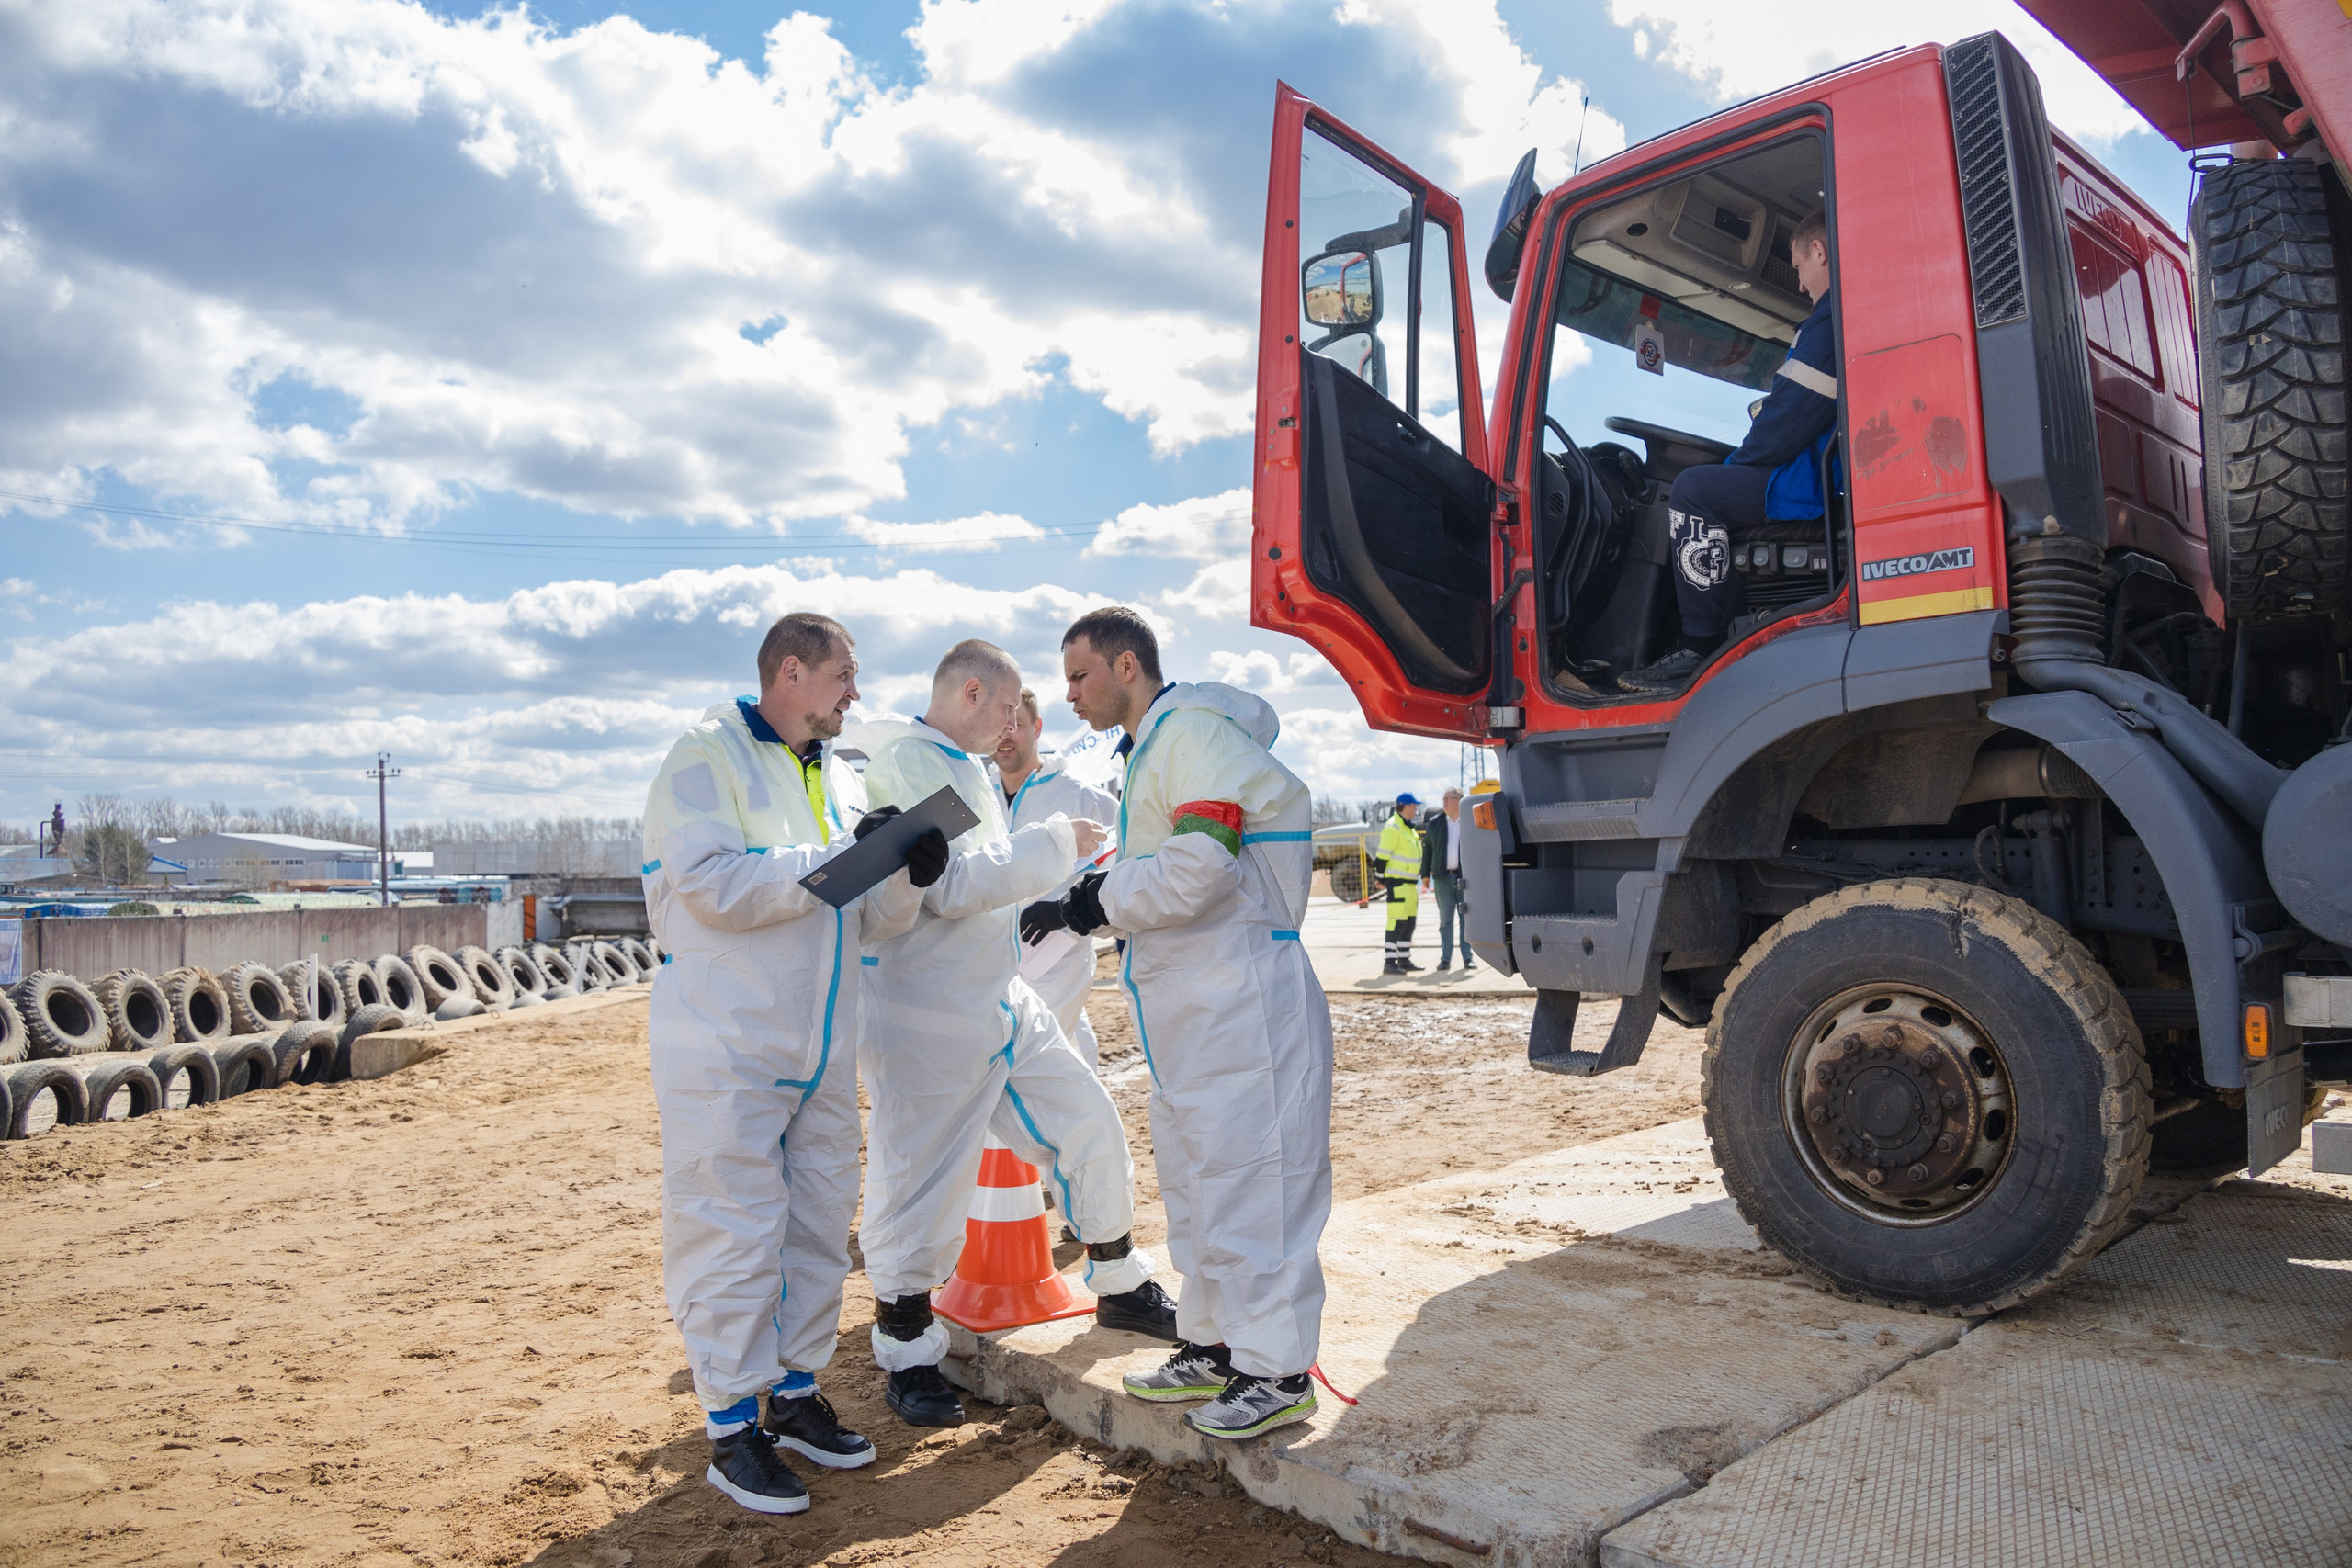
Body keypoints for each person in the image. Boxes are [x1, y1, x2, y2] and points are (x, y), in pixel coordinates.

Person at [640, 612, 947, 1517]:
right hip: (726, 1045)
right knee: (730, 1226)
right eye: (843, 676)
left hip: (816, 1047)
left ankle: (795, 1390)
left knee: (816, 1221)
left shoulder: (836, 780)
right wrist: (846, 856)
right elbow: (715, 885)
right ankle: (732, 1426)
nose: (855, 693)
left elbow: (865, 917)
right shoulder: (706, 758)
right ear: (789, 672)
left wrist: (902, 868)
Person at [1023, 605, 1335, 1441]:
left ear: (1128, 666)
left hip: (1242, 1002)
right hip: (1195, 1010)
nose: (1072, 695)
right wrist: (1094, 895)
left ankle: (1276, 1369)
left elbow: (1198, 868)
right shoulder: (1158, 751)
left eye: (1080, 676)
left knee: (1254, 1180)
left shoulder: (1194, 734)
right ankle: (1214, 1343)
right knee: (1203, 1181)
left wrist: (1094, 899)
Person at [849, 639, 1179, 1430]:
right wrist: (1057, 845)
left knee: (1085, 1117)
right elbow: (951, 886)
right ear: (970, 692)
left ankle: (1118, 1275)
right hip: (926, 1012)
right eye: (1006, 708)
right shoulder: (906, 764)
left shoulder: (960, 767)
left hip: (994, 997)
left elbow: (974, 877)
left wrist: (1045, 849)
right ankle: (907, 1347)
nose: (1013, 725)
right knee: (918, 1177)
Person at [1618, 210, 1839, 695]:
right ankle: (1742, 624)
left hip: (1822, 481)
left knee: (1696, 490)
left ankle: (1698, 645)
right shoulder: (1844, 313)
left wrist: (1736, 464)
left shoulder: (1831, 317)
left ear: (1819, 253)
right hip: (1830, 473)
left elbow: (1788, 421)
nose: (1801, 284)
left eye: (1800, 266)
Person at [998, 687, 1121, 1071]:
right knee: (1059, 1057)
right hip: (990, 963)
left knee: (1031, 1061)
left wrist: (1068, 912)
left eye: (1015, 725)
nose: (1005, 735)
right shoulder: (975, 796)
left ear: (1037, 728)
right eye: (997, 725)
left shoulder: (1084, 798)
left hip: (1057, 959)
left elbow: (1125, 865)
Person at [1421, 787, 1472, 974]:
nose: (1444, 802)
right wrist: (1425, 873)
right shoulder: (1436, 823)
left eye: (1449, 798)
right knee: (1445, 921)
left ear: (1459, 800)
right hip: (1442, 878)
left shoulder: (1469, 821)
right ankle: (1445, 959)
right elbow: (1427, 850)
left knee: (1465, 919)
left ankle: (1468, 958)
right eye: (1443, 798)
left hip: (1464, 878)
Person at [1376, 794, 1424, 975]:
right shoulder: (1393, 828)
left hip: (1410, 884)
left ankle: (1404, 959)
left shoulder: (1408, 828)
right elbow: (1381, 857)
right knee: (1396, 923)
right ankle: (1390, 962)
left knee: (1409, 923)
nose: (1416, 809)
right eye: (1414, 806)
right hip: (1397, 884)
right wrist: (1380, 879)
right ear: (1406, 807)